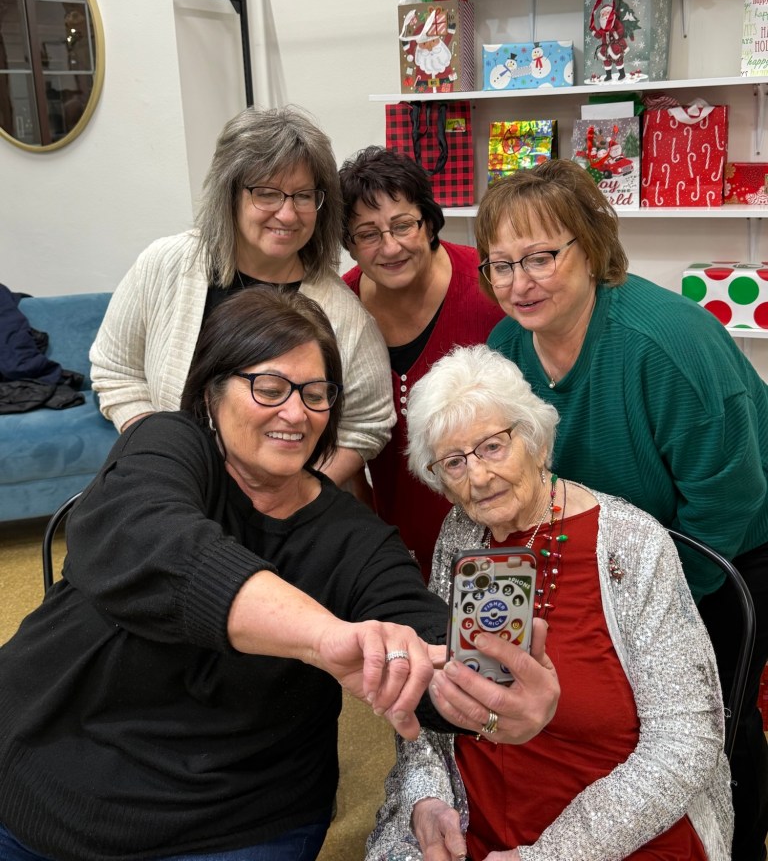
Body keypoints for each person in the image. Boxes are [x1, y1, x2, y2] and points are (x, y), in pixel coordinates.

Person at [0, 289, 560, 861]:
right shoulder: (168, 443)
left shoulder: (357, 540)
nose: (296, 414)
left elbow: (421, 636)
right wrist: (323, 636)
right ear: (212, 390)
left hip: (235, 820)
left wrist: (490, 699)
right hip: (40, 768)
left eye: (316, 394)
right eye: (269, 389)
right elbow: (148, 537)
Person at [475, 158, 768, 861]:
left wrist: (648, 607)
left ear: (591, 247)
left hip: (729, 548)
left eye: (540, 257)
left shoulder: (667, 347)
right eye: (501, 265)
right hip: (615, 546)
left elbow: (730, 501)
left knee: (713, 721)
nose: (519, 283)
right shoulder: (505, 347)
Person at [367, 344, 734, 861]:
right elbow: (429, 684)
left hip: (617, 828)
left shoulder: (631, 543)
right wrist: (426, 797)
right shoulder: (462, 534)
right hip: (473, 812)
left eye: (493, 447)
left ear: (536, 442)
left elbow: (687, 739)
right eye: (454, 462)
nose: (478, 477)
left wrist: (547, 856)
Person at [91, 104, 394, 488]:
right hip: (167, 490)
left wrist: (290, 495)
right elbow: (116, 371)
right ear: (229, 193)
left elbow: (367, 424)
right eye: (267, 194)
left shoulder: (344, 315)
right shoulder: (165, 264)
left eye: (303, 196)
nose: (288, 214)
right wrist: (162, 456)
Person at [340, 146, 504, 577]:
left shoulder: (491, 289)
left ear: (428, 222)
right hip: (393, 552)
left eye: (402, 225)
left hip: (499, 547)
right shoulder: (339, 312)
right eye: (368, 234)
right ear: (349, 244)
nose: (390, 246)